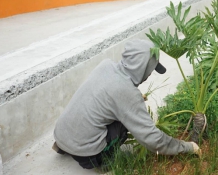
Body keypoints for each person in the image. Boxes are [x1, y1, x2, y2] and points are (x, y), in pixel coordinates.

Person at [53, 39, 200, 170]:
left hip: (60, 134)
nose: (149, 75)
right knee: (124, 126)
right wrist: (187, 147)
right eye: (150, 69)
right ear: (143, 68)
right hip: (86, 155)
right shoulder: (127, 94)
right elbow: (152, 139)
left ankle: (64, 146)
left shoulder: (106, 65)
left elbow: (106, 94)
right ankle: (104, 162)